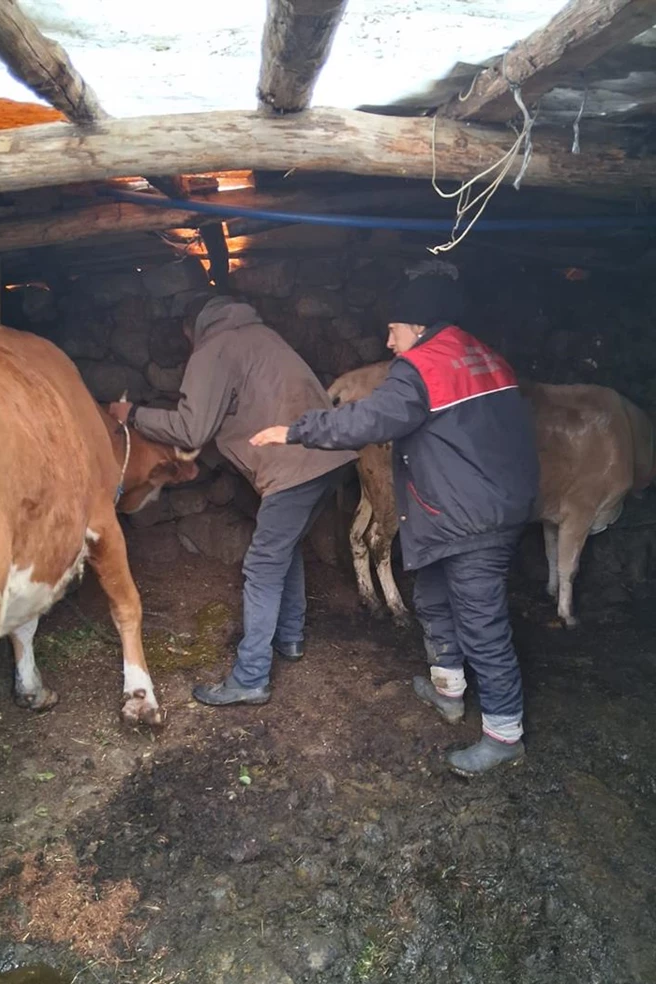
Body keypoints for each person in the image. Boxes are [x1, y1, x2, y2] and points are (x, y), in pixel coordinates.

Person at [250, 273, 539, 776]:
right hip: (486, 504)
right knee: (432, 596)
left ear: (418, 326)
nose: (388, 342)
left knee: (482, 624)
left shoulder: (421, 367)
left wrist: (295, 430)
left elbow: (370, 420)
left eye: (393, 328)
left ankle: (504, 734)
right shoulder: (487, 358)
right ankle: (448, 691)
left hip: (467, 516)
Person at [109, 292, 356, 706]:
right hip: (330, 458)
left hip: (293, 466)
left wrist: (131, 415)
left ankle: (251, 677)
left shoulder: (214, 348)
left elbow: (192, 429)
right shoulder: (261, 335)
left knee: (261, 567)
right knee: (285, 548)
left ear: (192, 328)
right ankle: (290, 637)